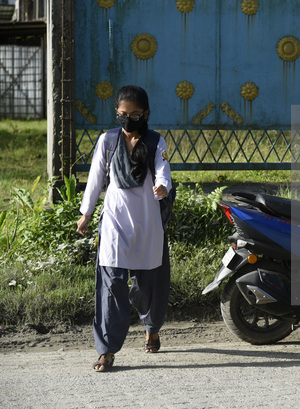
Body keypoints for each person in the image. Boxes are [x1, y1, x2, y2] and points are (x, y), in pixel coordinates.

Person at [77, 85, 172, 371]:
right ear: (117, 114)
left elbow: (163, 169)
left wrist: (162, 186)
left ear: (145, 114)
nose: (128, 118)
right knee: (111, 285)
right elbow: (95, 179)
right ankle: (106, 350)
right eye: (123, 114)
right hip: (115, 221)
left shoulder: (156, 141)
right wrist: (86, 213)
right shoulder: (108, 140)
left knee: (148, 284)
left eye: (134, 114)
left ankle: (152, 327)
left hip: (147, 221)